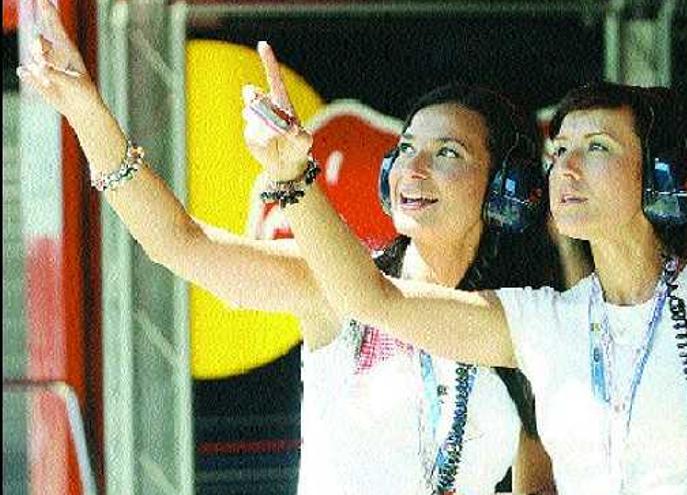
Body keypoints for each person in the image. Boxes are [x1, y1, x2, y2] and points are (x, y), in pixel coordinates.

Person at [17, 1, 559, 493]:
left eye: (448, 154)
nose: (413, 169)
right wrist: (86, 111)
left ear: (503, 191)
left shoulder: (523, 326)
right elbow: (179, 243)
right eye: (407, 148)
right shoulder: (334, 282)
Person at [258, 77, 687, 494]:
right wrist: (294, 176)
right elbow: (376, 299)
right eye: (558, 151)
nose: (567, 167)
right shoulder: (540, 322)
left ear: (661, 177)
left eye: (596, 146)